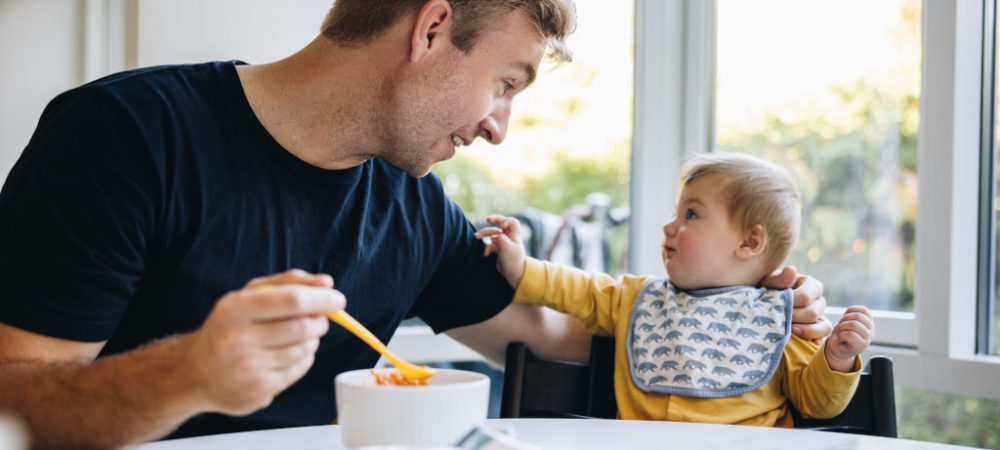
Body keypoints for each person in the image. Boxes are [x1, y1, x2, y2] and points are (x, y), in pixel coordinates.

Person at [0, 1, 831, 448]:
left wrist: (740, 306)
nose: (499, 126)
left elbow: (557, 334)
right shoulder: (125, 134)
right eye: (506, 82)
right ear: (432, 29)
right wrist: (187, 373)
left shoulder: (414, 208)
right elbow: (14, 395)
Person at [476, 152, 874, 426]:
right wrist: (522, 267)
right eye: (677, 212)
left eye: (692, 214)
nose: (670, 226)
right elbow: (578, 289)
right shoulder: (637, 299)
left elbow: (816, 404)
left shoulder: (779, 320)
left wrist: (836, 360)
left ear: (750, 243)